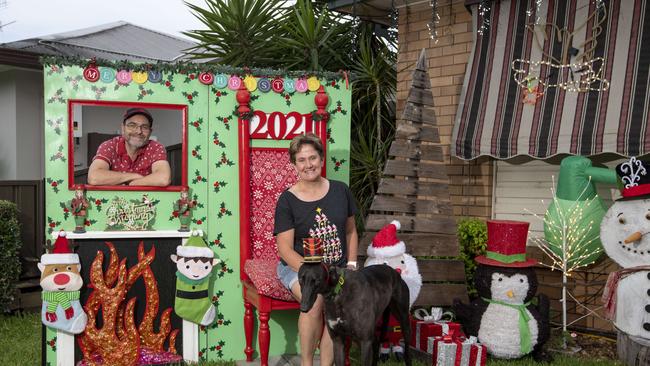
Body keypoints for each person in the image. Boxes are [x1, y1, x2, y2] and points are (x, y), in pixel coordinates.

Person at [274, 133, 358, 366]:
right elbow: (285, 250)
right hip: (297, 268)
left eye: (313, 158)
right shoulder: (287, 201)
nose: (308, 164)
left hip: (337, 268)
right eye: (301, 160)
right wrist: (315, 272)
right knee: (315, 300)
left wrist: (351, 264)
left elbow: (351, 231)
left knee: (336, 304)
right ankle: (307, 363)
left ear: (322, 159)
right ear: (294, 164)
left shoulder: (341, 191)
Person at [87, 108, 171, 186]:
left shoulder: (156, 147)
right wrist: (133, 176)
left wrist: (133, 184)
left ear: (150, 132)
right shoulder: (110, 145)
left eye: (144, 127)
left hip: (145, 201)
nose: (138, 131)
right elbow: (94, 177)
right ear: (123, 128)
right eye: (132, 125)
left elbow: (164, 178)